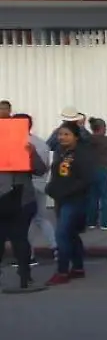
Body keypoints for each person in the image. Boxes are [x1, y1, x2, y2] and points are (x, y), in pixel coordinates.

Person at [0, 117, 48, 290]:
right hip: (7, 197)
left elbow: (41, 170)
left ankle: (25, 275)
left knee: (19, 239)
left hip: (21, 199)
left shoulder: (30, 147)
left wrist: (31, 154)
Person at [45, 122, 95, 285]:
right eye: (60, 134)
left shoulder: (82, 153)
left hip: (76, 200)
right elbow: (57, 174)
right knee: (71, 234)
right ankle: (78, 268)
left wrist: (65, 191)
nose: (62, 137)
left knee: (62, 234)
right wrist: (51, 188)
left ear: (75, 136)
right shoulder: (60, 151)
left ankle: (62, 271)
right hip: (61, 199)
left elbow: (86, 179)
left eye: (66, 134)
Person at [85, 117, 107, 231]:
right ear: (103, 128)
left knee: (92, 197)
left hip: (90, 171)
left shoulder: (87, 140)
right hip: (105, 170)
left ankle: (91, 222)